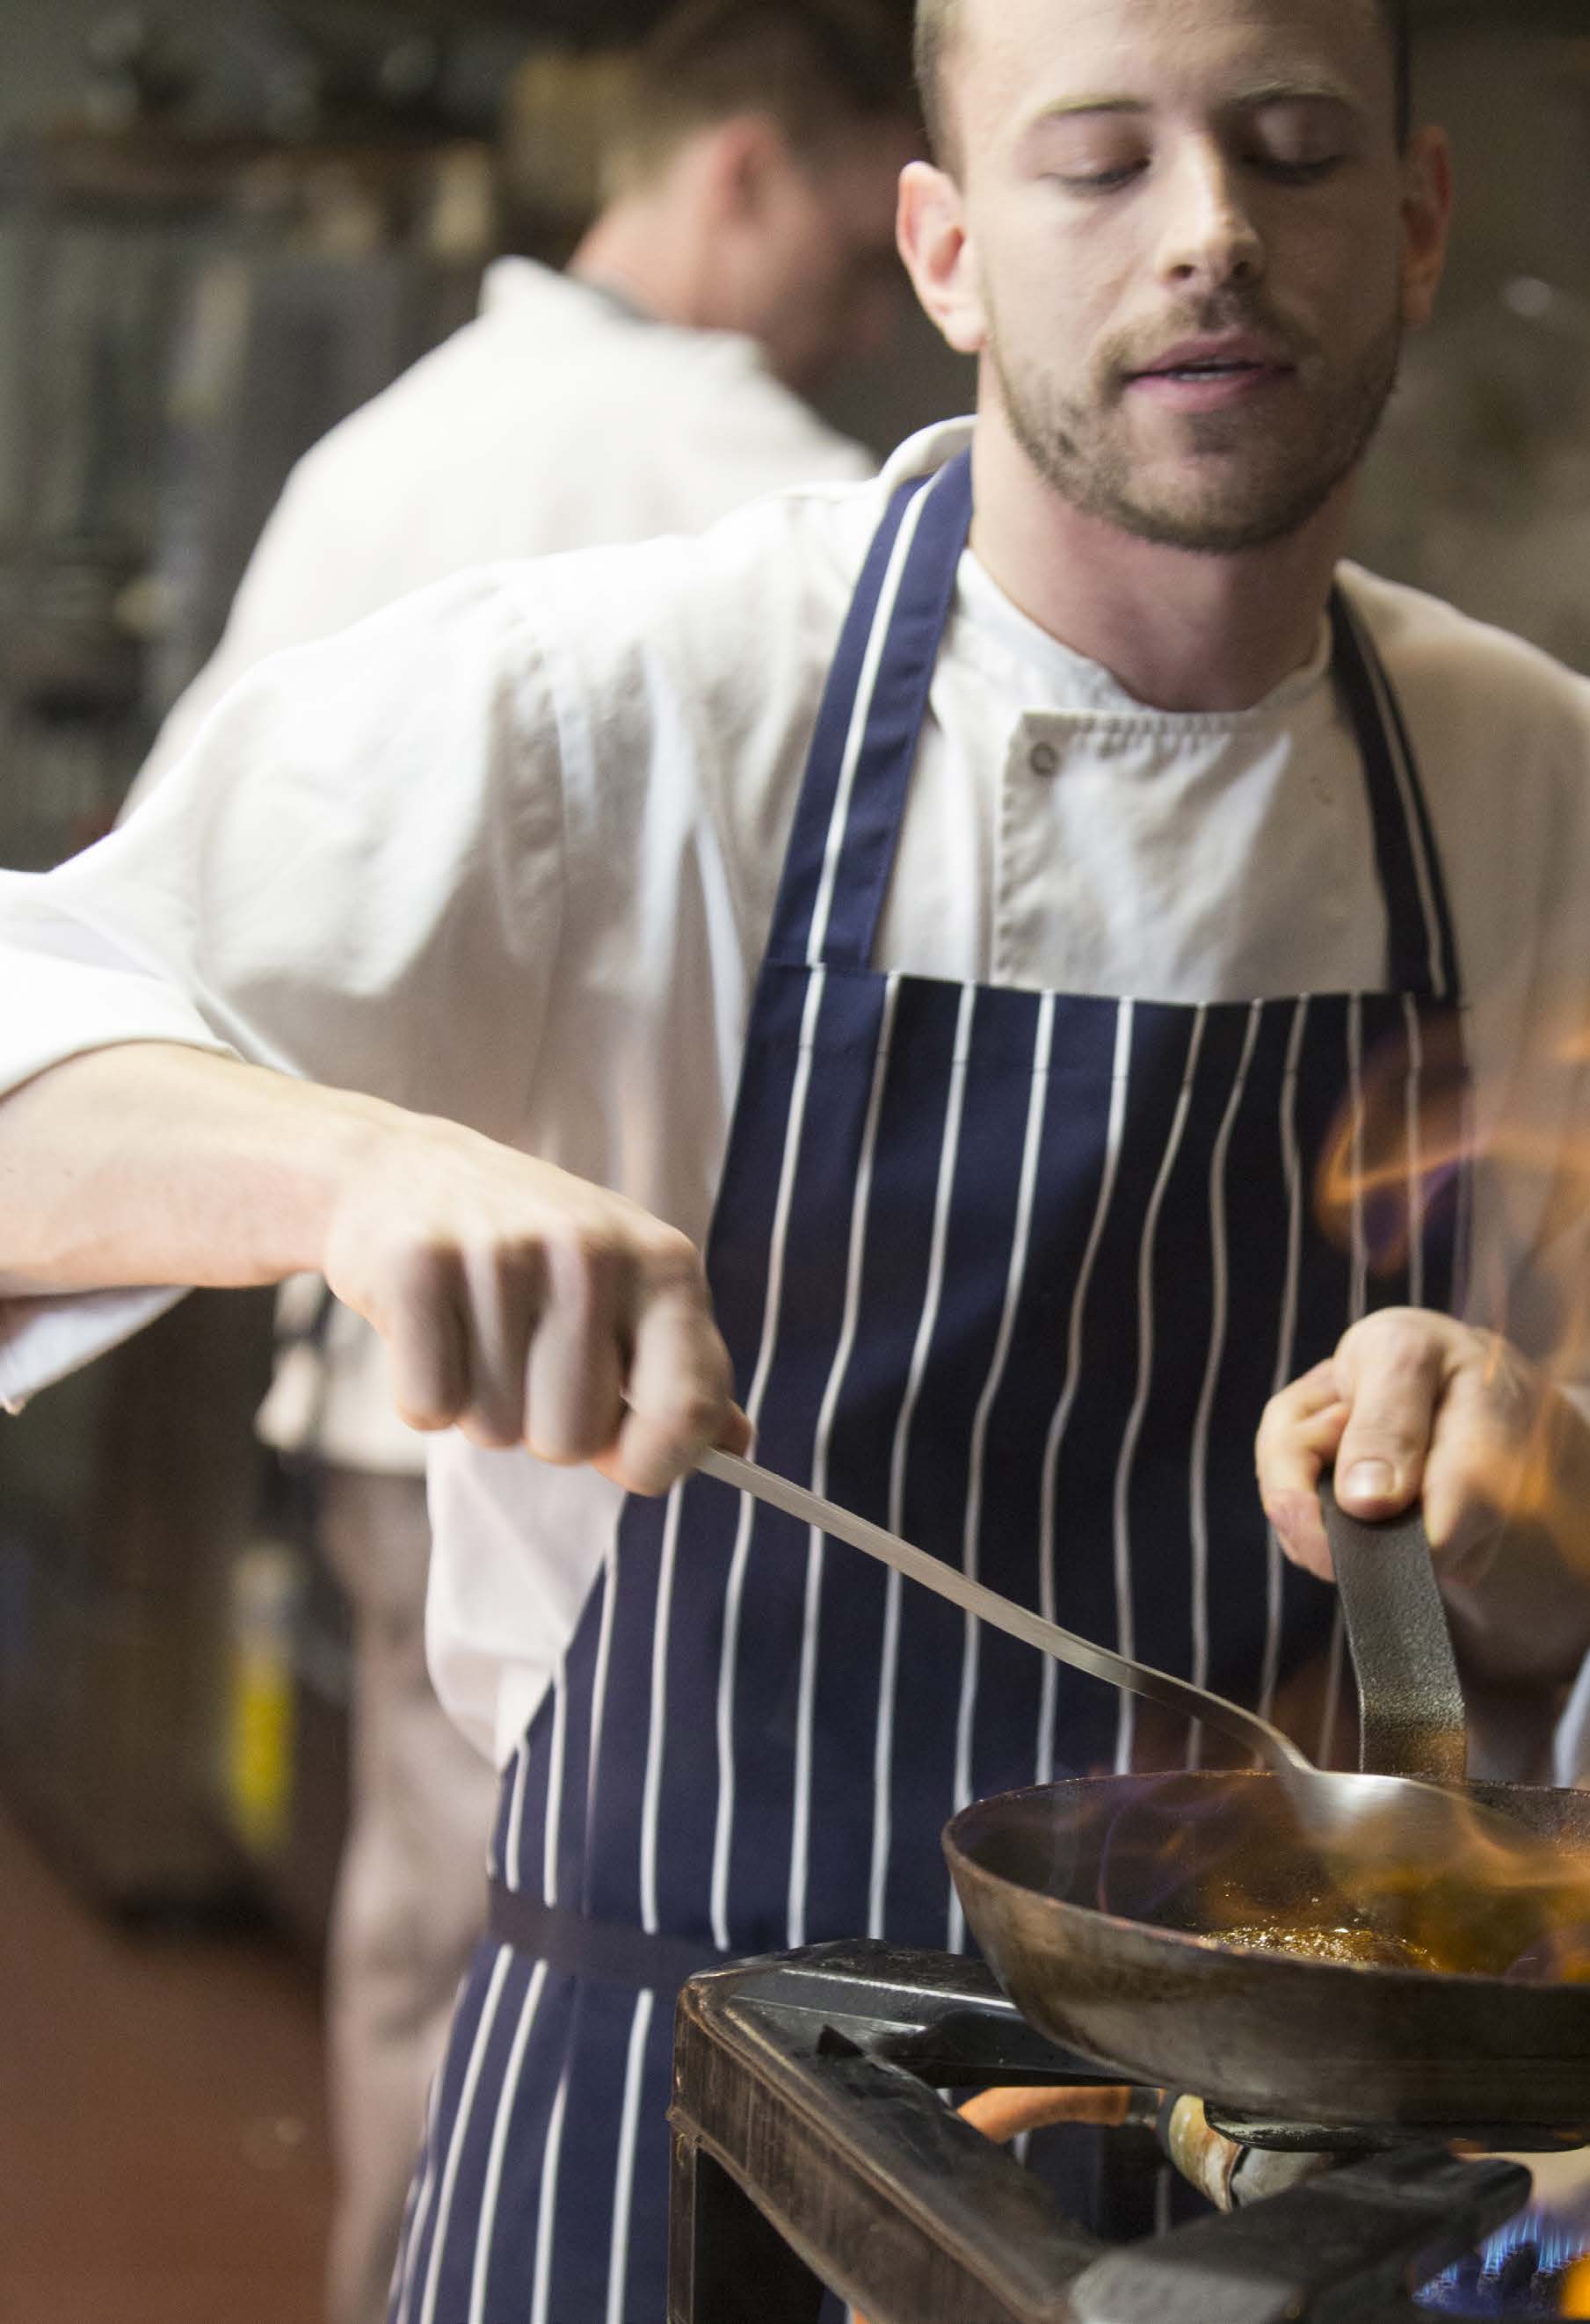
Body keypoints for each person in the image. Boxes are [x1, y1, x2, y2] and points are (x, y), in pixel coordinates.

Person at [0, 0, 1590, 2316]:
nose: (1210, 234)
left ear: (1415, 223)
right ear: (942, 250)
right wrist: (351, 1171)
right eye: (1096, 163)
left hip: (1267, 2183)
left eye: (1296, 148)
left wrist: (1549, 1495)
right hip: (664, 2141)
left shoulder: (1547, 787)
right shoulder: (633, 706)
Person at [125, 6, 920, 2320]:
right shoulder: (776, 501)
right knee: (596, 1979)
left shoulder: (387, 445)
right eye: (860, 252)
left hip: (372, 1369)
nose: (867, 317)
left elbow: (184, 919)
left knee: (417, 1939)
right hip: (625, 1406)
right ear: (753, 174)